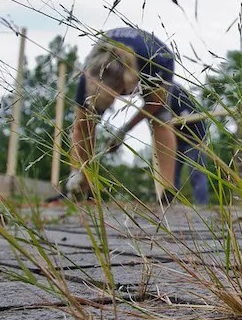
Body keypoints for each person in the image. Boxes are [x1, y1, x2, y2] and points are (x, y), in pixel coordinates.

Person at [67, 27, 181, 204]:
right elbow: (80, 126)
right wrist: (76, 171)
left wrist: (124, 130)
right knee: (85, 122)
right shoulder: (89, 73)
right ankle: (83, 186)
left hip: (151, 61)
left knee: (161, 120)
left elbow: (155, 103)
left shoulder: (155, 61)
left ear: (124, 87)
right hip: (110, 63)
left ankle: (167, 192)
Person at [105, 83, 210, 205]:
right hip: (175, 139)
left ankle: (202, 205)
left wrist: (125, 129)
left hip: (194, 136)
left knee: (196, 172)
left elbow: (161, 109)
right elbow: (153, 114)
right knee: (171, 172)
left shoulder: (172, 92)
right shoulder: (151, 92)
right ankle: (170, 203)